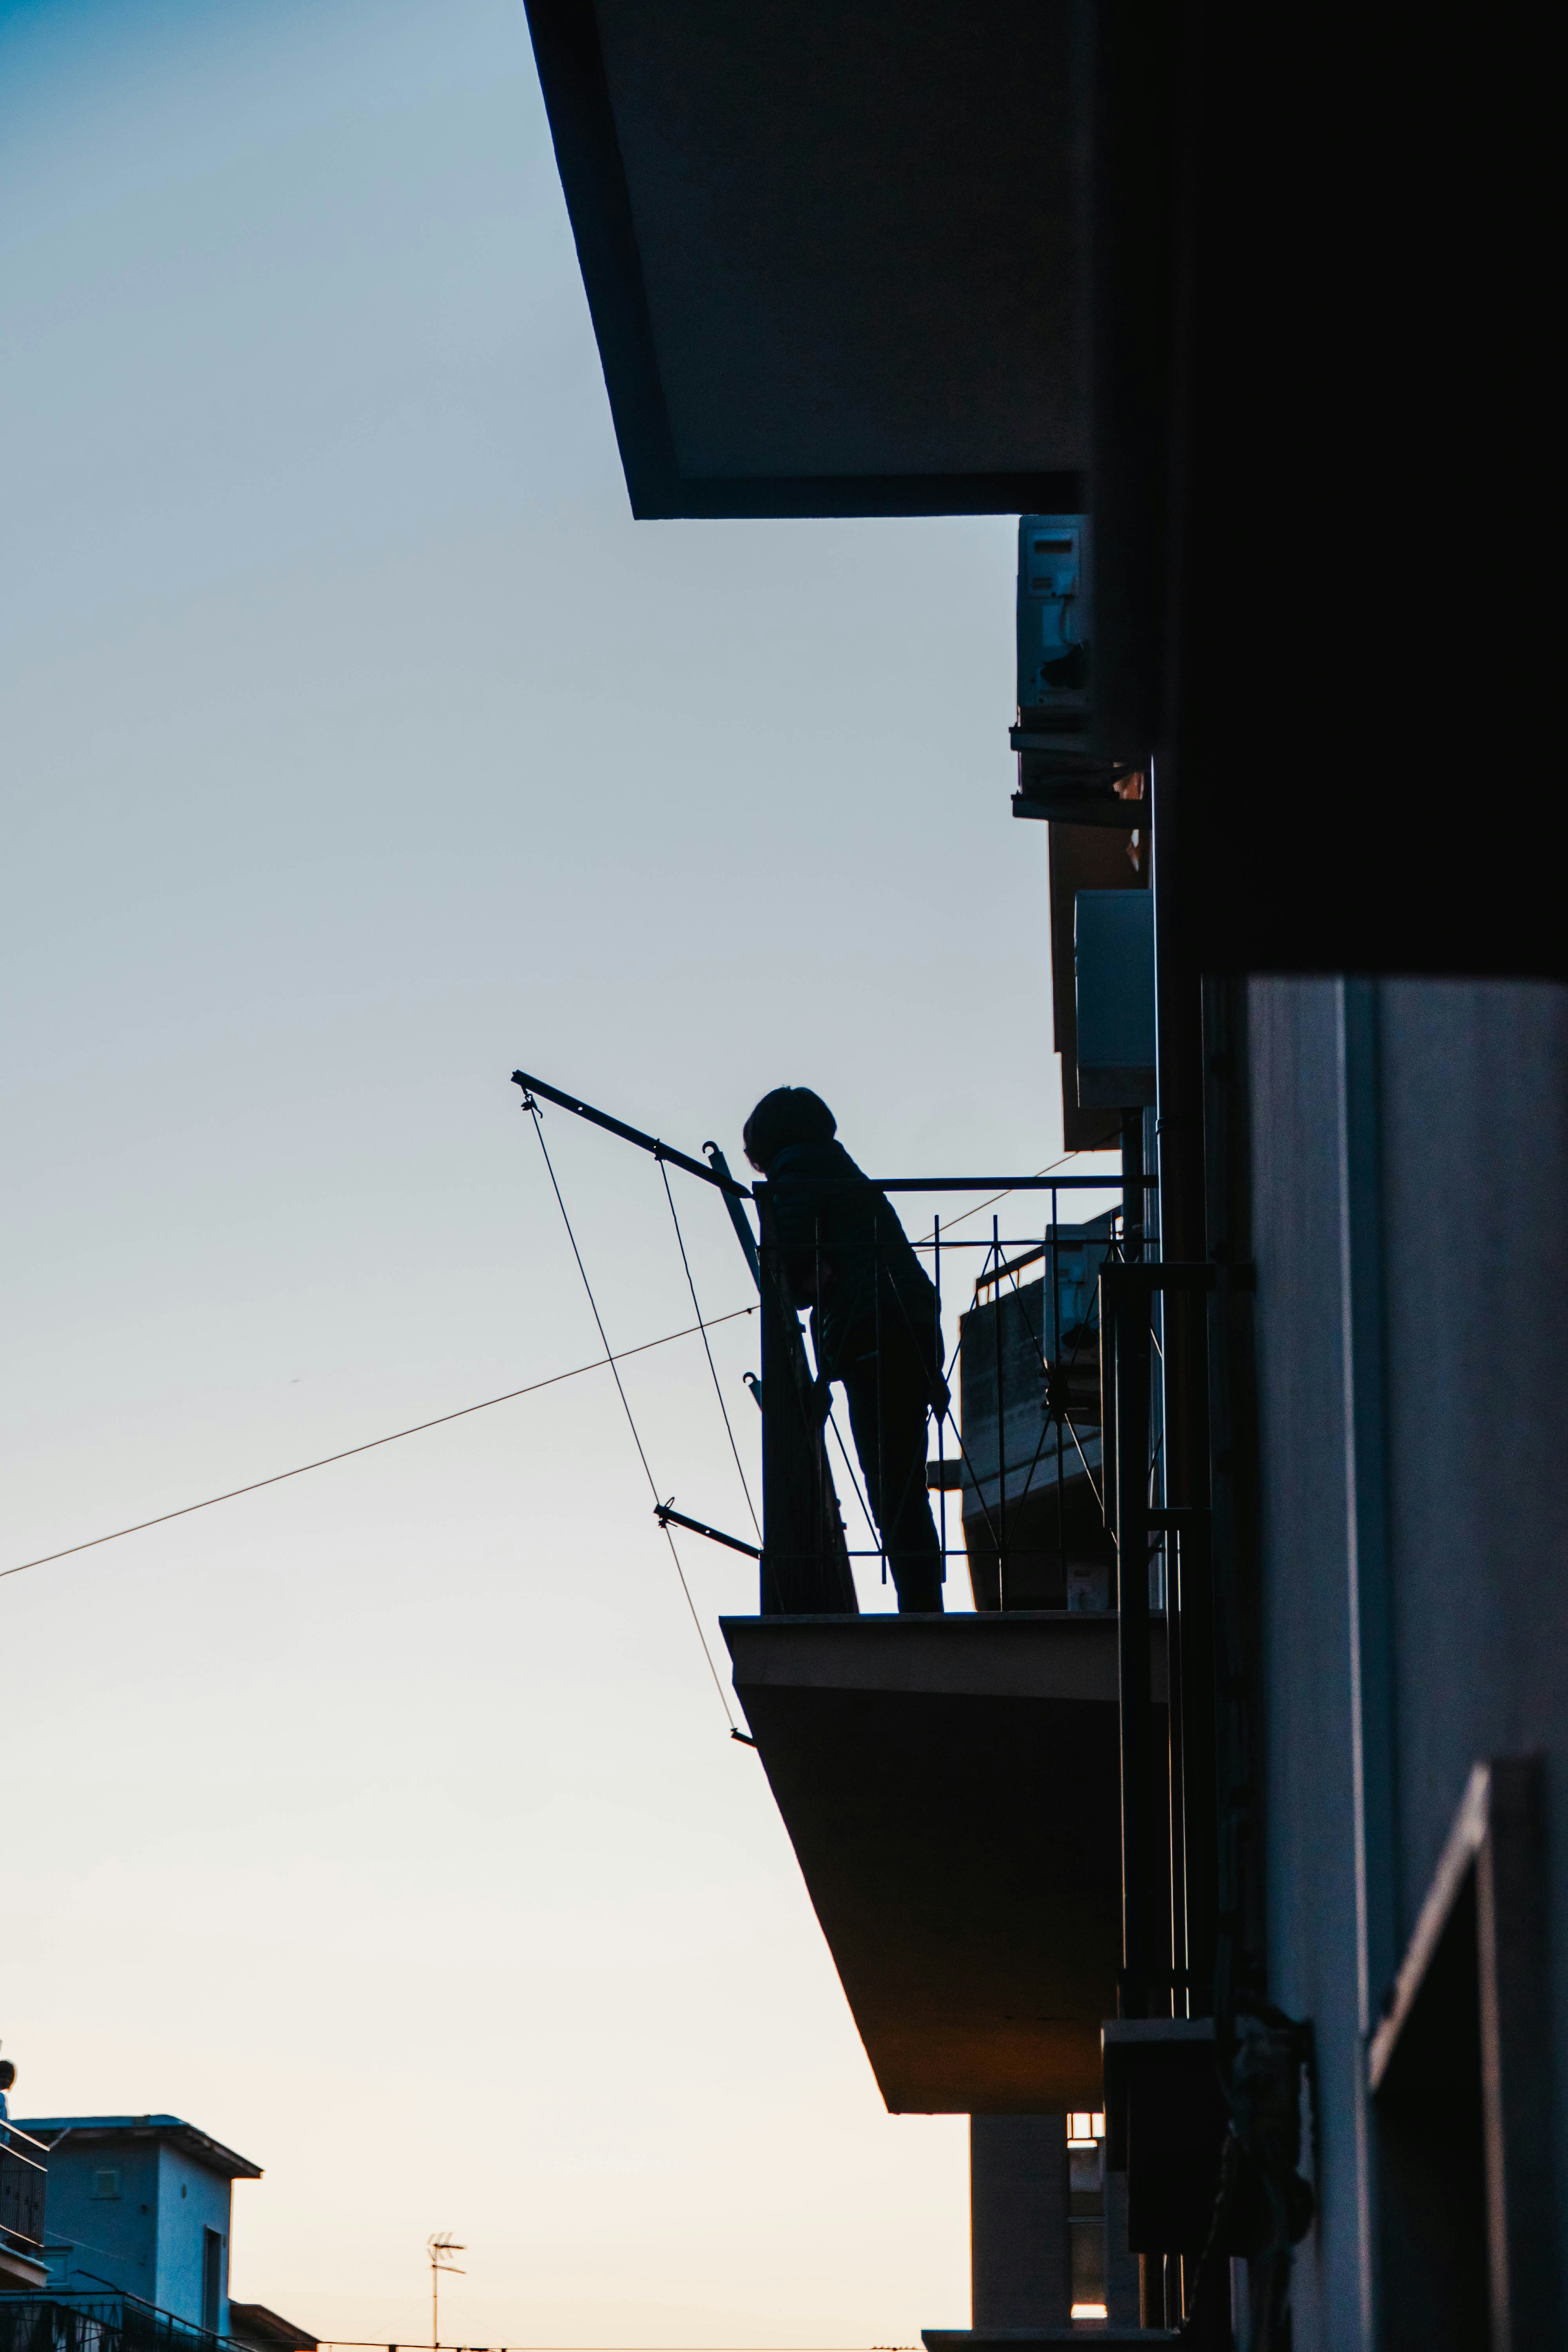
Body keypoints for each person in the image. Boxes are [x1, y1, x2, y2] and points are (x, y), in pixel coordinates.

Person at [744, 1086, 948, 1613]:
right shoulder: (841, 1170)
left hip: (872, 1338)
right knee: (904, 1481)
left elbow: (785, 1263)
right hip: (908, 1329)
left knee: (891, 1488)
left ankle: (921, 1608)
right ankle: (924, 1600)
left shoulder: (797, 1172)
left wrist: (808, 1279)